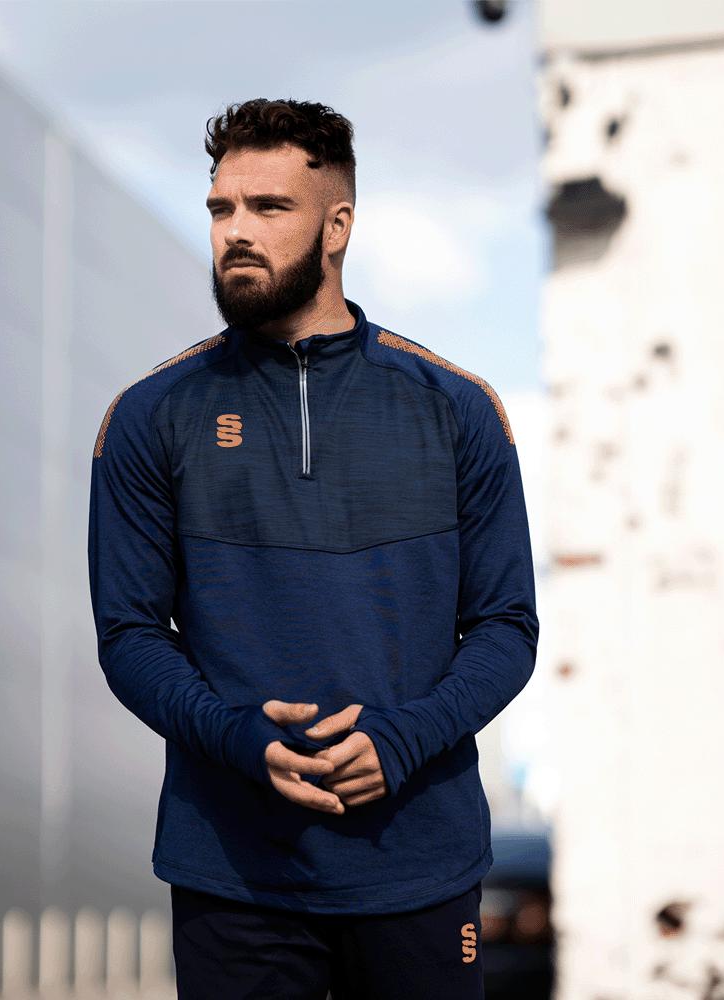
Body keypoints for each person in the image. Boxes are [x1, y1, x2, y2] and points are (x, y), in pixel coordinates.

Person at [88, 98, 538, 1000]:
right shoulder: (149, 416)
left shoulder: (457, 409)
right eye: (221, 208)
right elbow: (129, 635)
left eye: (269, 207)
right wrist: (236, 737)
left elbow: (506, 628)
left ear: (338, 227)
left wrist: (402, 739)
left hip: (421, 865)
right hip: (233, 874)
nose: (236, 231)